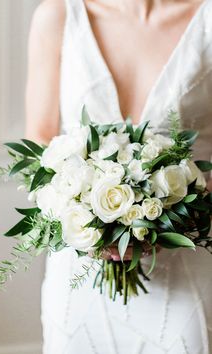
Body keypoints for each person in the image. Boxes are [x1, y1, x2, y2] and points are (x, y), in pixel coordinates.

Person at [26, 0, 212, 353]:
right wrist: (85, 213)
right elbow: (39, 136)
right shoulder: (58, 15)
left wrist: (170, 217)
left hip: (189, 256)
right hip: (79, 267)